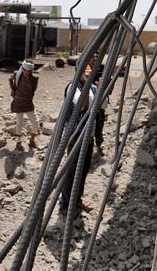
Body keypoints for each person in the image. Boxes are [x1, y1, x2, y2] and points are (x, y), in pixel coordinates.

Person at [59, 72, 97, 215]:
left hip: (88, 134)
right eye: (85, 68)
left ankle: (76, 199)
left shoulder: (93, 87)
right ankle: (65, 204)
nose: (88, 72)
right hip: (76, 134)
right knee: (72, 170)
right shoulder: (73, 87)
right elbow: (81, 105)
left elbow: (100, 107)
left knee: (83, 169)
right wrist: (88, 88)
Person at [9, 61, 39, 148]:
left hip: (28, 102)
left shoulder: (34, 79)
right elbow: (13, 87)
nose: (26, 72)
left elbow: (33, 90)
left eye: (28, 71)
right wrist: (11, 82)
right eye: (24, 70)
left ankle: (32, 139)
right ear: (22, 69)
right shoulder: (17, 76)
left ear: (31, 71)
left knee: (35, 122)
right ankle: (18, 142)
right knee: (19, 122)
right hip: (18, 102)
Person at [86, 52, 106, 154]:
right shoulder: (86, 68)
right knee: (88, 124)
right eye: (92, 56)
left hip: (100, 100)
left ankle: (98, 145)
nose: (94, 58)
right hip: (89, 100)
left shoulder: (103, 68)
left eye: (97, 57)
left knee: (100, 123)